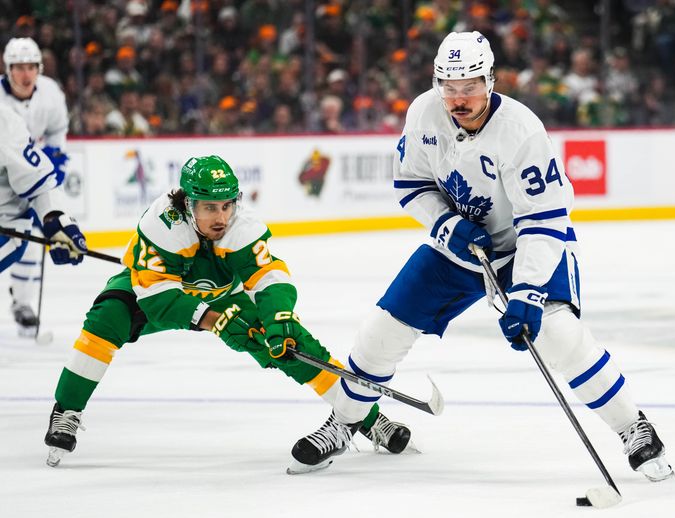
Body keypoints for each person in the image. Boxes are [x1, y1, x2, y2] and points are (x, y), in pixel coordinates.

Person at [290, 31, 675, 481]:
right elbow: (411, 185)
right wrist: (446, 225)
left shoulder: (521, 131)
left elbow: (545, 220)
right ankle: (345, 421)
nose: (458, 98)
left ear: (490, 80)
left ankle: (634, 427)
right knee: (380, 333)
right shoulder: (422, 113)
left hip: (523, 246)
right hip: (458, 246)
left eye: (469, 85)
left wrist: (528, 291)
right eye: (448, 86)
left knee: (559, 336)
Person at [43, 155, 411, 468]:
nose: (220, 217)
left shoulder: (242, 225)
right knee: (106, 319)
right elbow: (157, 296)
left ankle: (365, 417)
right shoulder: (160, 224)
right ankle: (67, 410)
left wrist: (279, 318)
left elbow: (269, 276)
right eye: (209, 208)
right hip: (155, 288)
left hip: (223, 295)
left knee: (287, 343)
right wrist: (214, 321)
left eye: (226, 205)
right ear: (187, 204)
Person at [1, 38, 71, 335]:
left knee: (29, 236)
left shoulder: (51, 93)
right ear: (8, 69)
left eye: (31, 67)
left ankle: (23, 302)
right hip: (4, 178)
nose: (25, 74)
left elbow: (58, 131)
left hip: (31, 172)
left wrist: (55, 160)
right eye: (18, 68)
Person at [0, 104, 87, 308]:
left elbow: (40, 183)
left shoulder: (4, 122)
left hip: (5, 225)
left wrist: (56, 220)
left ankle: (22, 302)